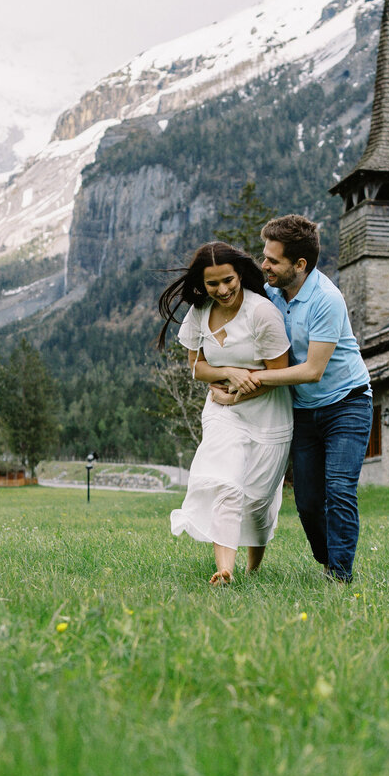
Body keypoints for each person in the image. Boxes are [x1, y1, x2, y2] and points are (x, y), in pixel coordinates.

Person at [217, 213, 372, 583]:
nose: (264, 265)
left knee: (338, 490)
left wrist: (253, 378)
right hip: (302, 409)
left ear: (299, 265)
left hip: (346, 404)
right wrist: (218, 370)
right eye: (264, 256)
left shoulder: (326, 300)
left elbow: (311, 371)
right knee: (307, 502)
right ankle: (327, 560)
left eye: (273, 260)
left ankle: (339, 575)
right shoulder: (270, 292)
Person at [158, 241, 293, 586]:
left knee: (258, 500)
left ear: (240, 275)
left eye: (228, 280)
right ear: (202, 285)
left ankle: (254, 567)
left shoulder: (262, 313)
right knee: (226, 483)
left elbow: (278, 373)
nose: (222, 290)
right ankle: (225, 569)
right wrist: (229, 375)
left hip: (268, 414)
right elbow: (196, 367)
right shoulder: (200, 312)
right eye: (212, 283)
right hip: (222, 412)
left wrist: (239, 393)